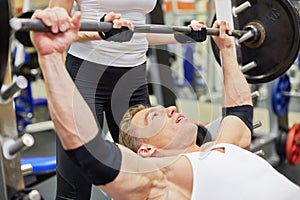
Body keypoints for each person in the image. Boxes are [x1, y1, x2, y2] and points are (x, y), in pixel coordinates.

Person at [30, 8, 300, 200]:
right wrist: (51, 56)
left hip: (133, 68)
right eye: (155, 116)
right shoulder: (164, 179)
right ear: (146, 150)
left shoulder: (225, 145)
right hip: (87, 67)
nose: (171, 108)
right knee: (75, 188)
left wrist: (226, 48)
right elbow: (91, 152)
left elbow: (240, 109)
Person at [48, 1, 207, 198]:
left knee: (150, 178)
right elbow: (54, 30)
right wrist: (99, 32)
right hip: (86, 76)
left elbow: (139, 32)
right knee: (75, 189)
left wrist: (183, 35)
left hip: (132, 79)